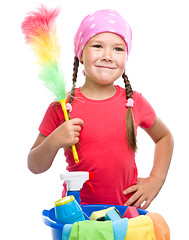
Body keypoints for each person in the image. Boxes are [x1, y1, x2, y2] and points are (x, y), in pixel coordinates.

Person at [28, 9, 174, 209]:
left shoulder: (133, 102)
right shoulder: (61, 108)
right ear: (80, 53)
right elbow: (34, 165)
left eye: (118, 49)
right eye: (97, 46)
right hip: (77, 215)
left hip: (126, 214)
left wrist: (156, 179)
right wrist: (53, 141)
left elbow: (164, 137)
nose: (107, 56)